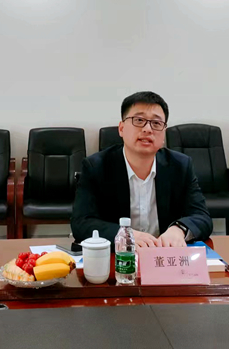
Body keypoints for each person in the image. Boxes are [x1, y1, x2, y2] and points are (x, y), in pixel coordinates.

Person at [71, 91, 213, 248]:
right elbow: (81, 223)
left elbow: (202, 217)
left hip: (163, 256)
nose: (147, 129)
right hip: (119, 257)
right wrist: (124, 235)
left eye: (156, 123)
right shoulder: (96, 167)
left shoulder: (180, 166)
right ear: (121, 129)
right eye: (139, 120)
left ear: (164, 134)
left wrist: (179, 229)